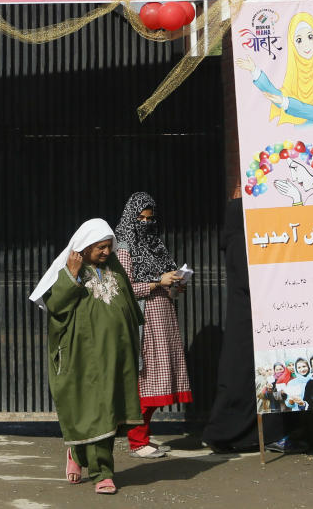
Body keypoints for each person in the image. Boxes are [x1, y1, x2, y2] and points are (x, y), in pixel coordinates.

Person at [29, 219, 143, 495]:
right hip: (84, 355)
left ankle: (78, 455)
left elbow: (128, 303)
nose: (106, 252)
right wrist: (72, 273)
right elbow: (56, 306)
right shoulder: (71, 270)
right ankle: (102, 473)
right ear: (84, 247)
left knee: (108, 411)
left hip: (115, 354)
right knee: (93, 410)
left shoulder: (113, 266)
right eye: (100, 247)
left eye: (109, 246)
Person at [202, 198, 289, 452]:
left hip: (246, 320)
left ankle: (238, 435)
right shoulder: (243, 243)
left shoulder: (234, 241)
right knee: (249, 375)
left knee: (248, 375)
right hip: (253, 320)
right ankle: (230, 434)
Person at [114, 192, 192, 459]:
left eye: (150, 218)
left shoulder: (153, 245)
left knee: (162, 379)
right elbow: (124, 289)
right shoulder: (124, 248)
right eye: (141, 218)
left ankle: (143, 436)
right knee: (148, 380)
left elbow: (162, 279)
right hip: (145, 322)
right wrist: (158, 282)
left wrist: (174, 285)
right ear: (131, 217)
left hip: (163, 318)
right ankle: (137, 441)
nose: (146, 223)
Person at [235, 11, 313, 126]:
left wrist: (286, 103)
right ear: (293, 44)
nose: (306, 45)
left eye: (310, 37)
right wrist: (255, 71)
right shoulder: (295, 71)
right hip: (292, 136)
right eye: (299, 40)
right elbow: (278, 96)